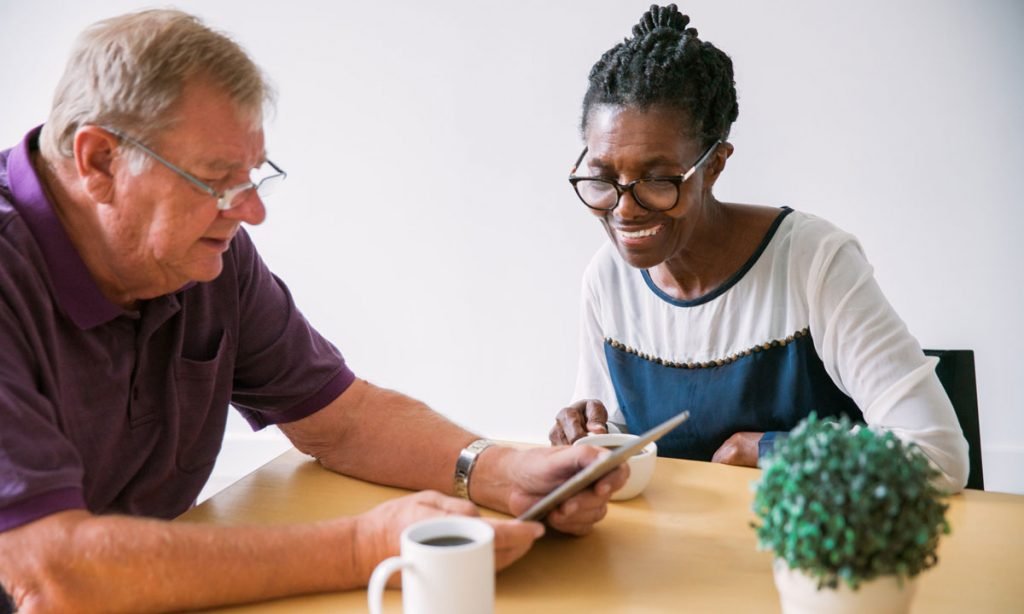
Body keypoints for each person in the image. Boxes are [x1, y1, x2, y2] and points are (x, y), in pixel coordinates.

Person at [0, 9, 628, 613]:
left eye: (253, 177)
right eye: (218, 180)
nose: (251, 212)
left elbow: (342, 419)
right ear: (100, 161)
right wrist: (363, 546)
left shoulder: (200, 254)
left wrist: (503, 470)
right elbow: (54, 575)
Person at [548, 4, 969, 493]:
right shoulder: (608, 278)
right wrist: (589, 433)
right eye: (602, 178)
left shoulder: (813, 262)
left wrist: (773, 450)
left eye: (658, 180)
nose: (624, 210)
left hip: (813, 558)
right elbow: (618, 439)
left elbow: (936, 454)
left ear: (715, 165)